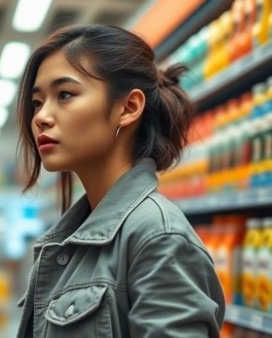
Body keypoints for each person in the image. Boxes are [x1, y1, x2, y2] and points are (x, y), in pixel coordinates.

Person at [16, 24, 225, 338]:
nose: (41, 117)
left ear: (128, 108)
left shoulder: (158, 238)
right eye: (37, 102)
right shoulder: (71, 238)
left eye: (65, 95)